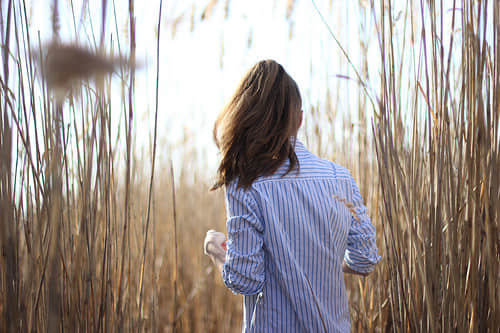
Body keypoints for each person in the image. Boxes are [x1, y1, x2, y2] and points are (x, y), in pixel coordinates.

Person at [204, 59, 381, 332]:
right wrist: (323, 262)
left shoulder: (246, 182)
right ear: (299, 119)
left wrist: (216, 250)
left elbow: (246, 279)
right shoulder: (340, 178)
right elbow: (365, 259)